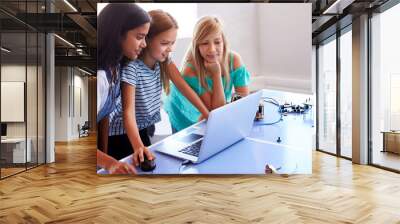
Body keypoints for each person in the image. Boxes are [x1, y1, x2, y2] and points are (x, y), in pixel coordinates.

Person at [108, 10, 209, 166]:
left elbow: (184, 87)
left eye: (172, 43)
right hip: (119, 134)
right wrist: (138, 146)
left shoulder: (164, 60)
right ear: (146, 39)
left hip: (141, 127)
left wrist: (206, 113)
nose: (170, 49)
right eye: (164, 43)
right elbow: (128, 112)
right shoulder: (132, 67)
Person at [164, 16, 251, 132]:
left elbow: (243, 99)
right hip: (186, 114)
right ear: (197, 46)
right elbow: (215, 111)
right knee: (191, 143)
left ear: (223, 42)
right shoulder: (190, 71)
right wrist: (216, 74)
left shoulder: (234, 60)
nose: (212, 49)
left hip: (210, 111)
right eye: (205, 43)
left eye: (217, 42)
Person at [96, 3, 151, 174]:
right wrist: (109, 163)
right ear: (118, 34)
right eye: (139, 37)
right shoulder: (100, 78)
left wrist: (138, 149)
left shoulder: (117, 66)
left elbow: (103, 118)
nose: (144, 44)